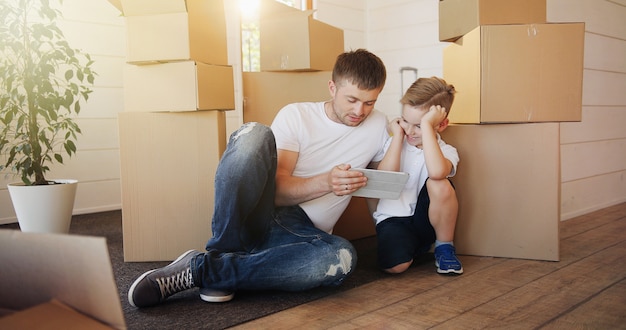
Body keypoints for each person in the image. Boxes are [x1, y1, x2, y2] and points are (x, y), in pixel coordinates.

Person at [128, 49, 390, 308]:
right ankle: (225, 252)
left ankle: (205, 270)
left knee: (341, 257)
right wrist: (327, 182)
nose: (360, 111)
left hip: (301, 236)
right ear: (332, 88)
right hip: (262, 213)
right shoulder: (297, 115)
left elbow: (383, 181)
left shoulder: (378, 124)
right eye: (352, 100)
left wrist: (404, 136)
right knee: (254, 134)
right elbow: (277, 191)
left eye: (370, 102)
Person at [373, 76, 463, 275]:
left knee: (439, 183)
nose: (410, 131)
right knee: (395, 267)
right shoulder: (395, 143)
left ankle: (444, 247)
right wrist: (397, 136)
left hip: (427, 221)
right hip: (394, 218)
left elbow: (437, 172)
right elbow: (386, 179)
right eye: (405, 121)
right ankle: (411, 249)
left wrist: (428, 127)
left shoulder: (446, 151)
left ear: (441, 124)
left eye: (420, 126)